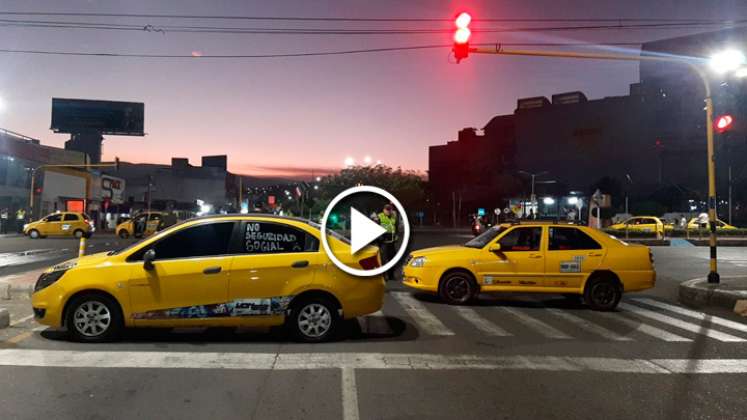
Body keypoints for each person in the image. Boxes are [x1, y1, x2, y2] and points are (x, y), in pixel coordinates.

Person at [377, 204, 398, 280]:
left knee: (392, 259)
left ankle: (391, 275)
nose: (389, 211)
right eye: (387, 209)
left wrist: (396, 236)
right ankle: (383, 276)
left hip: (391, 242)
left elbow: (395, 227)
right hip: (383, 243)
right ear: (384, 210)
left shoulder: (393, 217)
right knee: (383, 260)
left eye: (390, 210)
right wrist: (380, 238)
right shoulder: (379, 217)